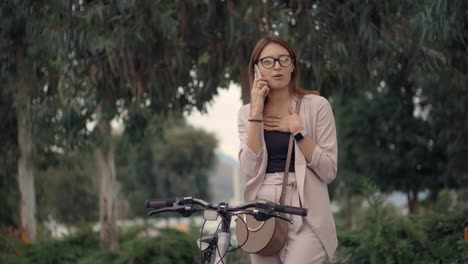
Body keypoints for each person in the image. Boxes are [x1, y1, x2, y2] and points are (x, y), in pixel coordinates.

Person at [237, 35, 338, 264]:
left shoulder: (317, 106)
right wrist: (256, 113)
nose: (277, 67)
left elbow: (329, 171)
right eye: (268, 61)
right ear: (257, 69)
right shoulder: (246, 113)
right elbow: (249, 168)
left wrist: (299, 133)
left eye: (284, 59)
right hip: (261, 210)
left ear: (293, 64)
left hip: (306, 208)